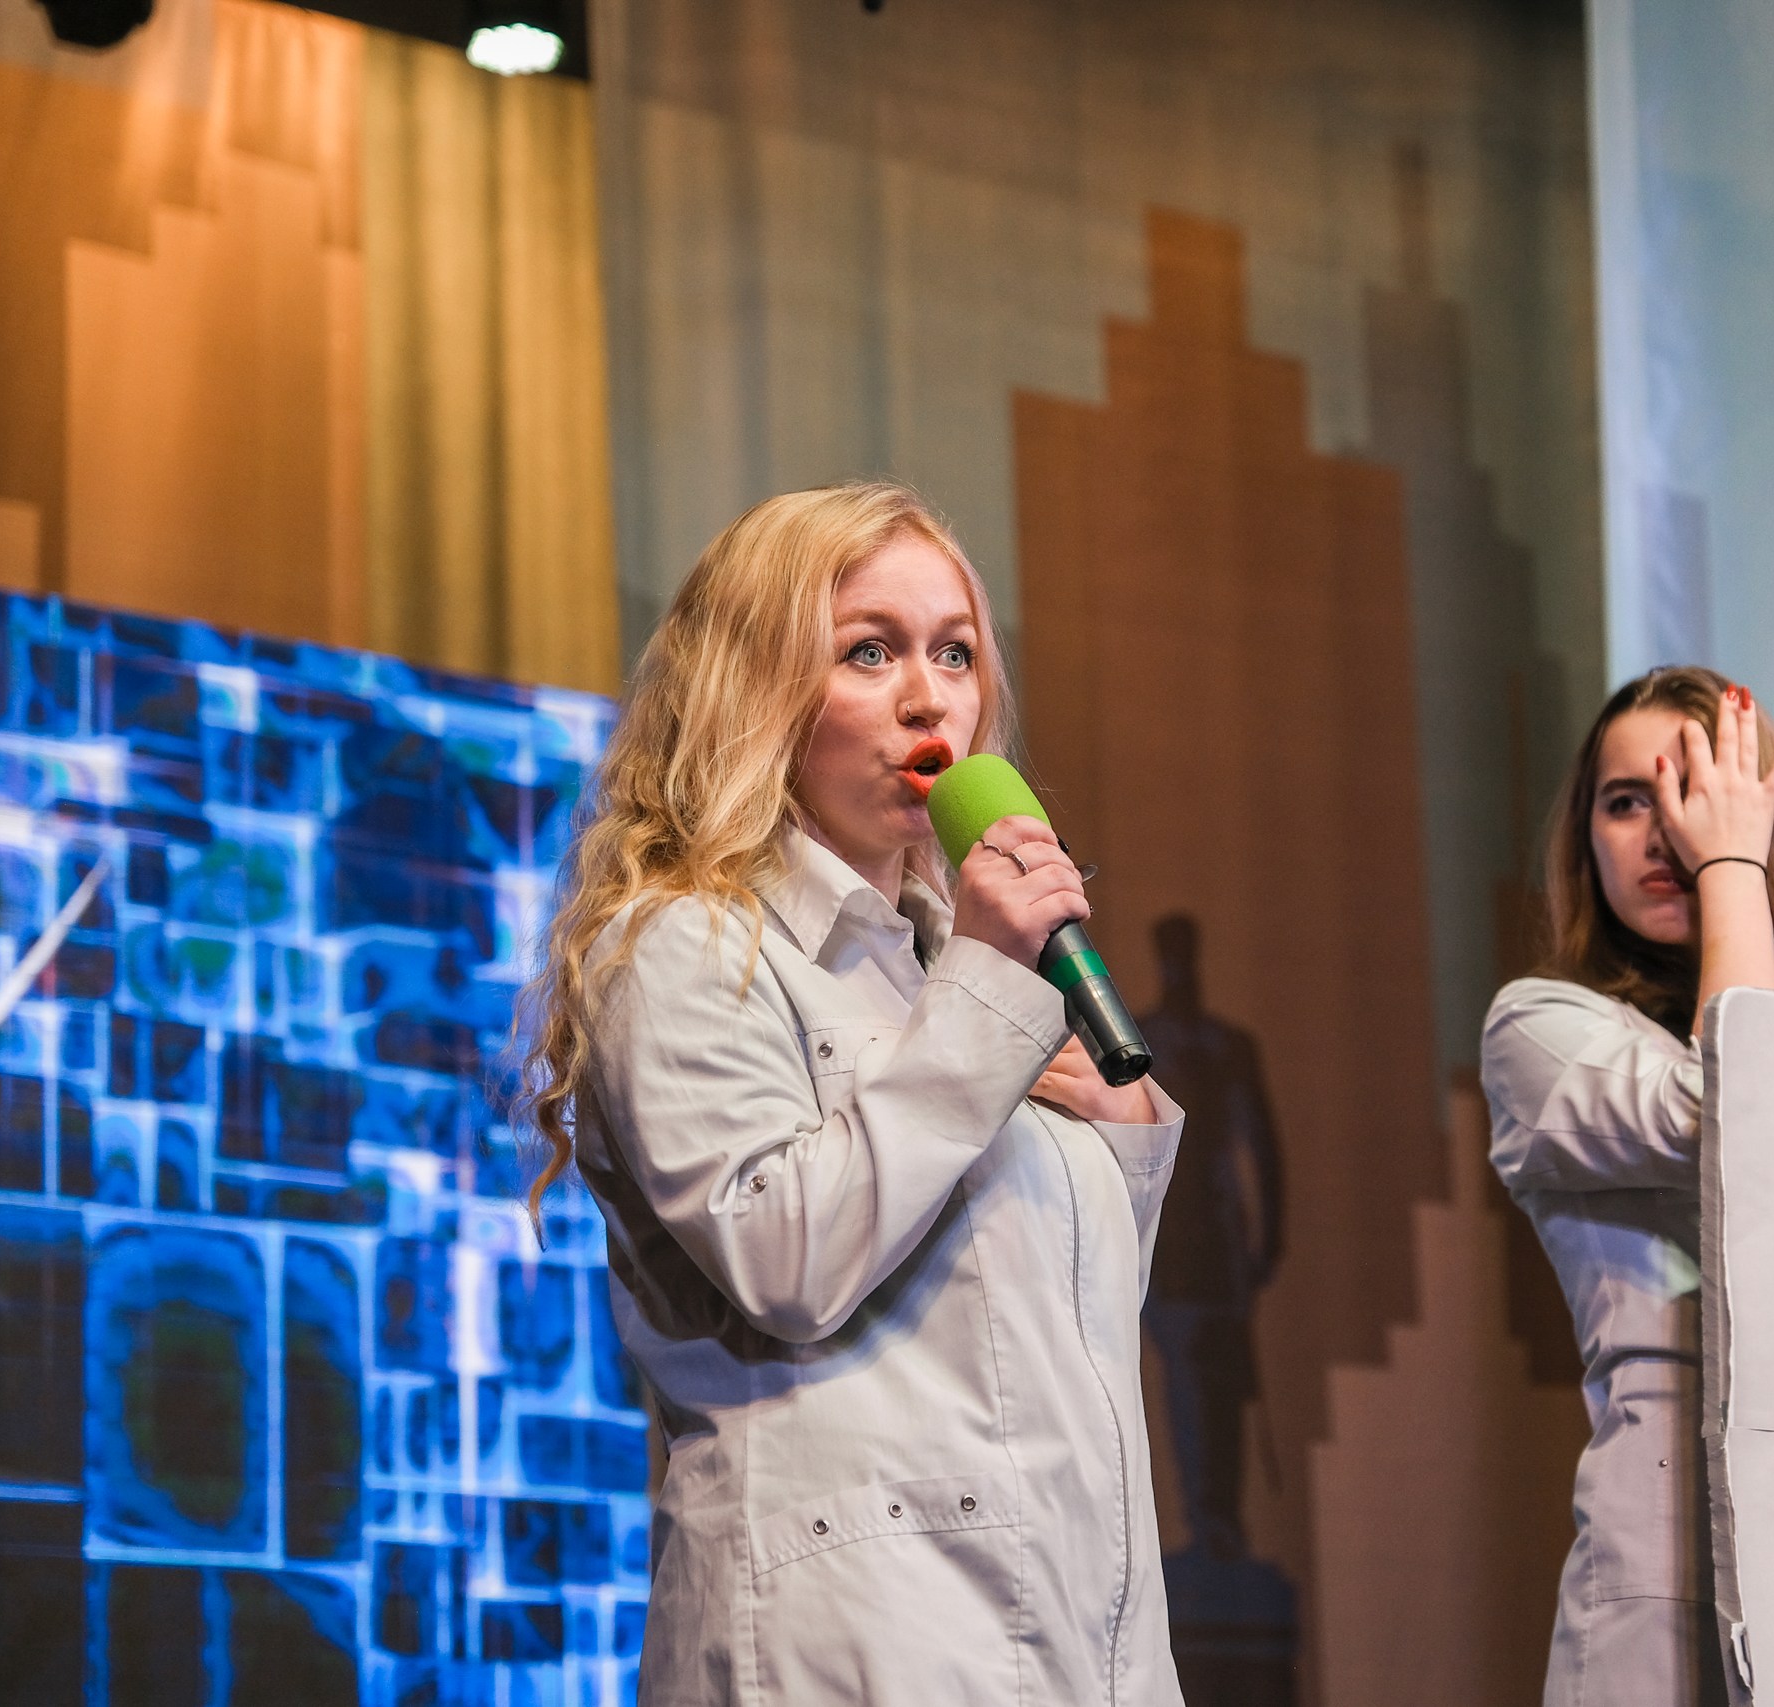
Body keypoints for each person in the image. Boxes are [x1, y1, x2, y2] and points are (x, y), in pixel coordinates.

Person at [518, 482, 1187, 1705]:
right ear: (755, 690)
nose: (929, 697)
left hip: (1076, 1643)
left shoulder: (966, 972)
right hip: (851, 1643)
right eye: (869, 652)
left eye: (955, 653)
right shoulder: (685, 946)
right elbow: (786, 1255)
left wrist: (1126, 1142)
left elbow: (1040, 1330)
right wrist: (982, 995)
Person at [1481, 666, 1774, 1706]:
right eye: (1628, 800)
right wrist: (1729, 866)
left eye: (1697, 787)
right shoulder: (1540, 1025)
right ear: (1585, 840)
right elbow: (1727, 1110)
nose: (1666, 828)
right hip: (1673, 1555)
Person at [1137, 912, 1285, 1561]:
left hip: (1220, 1237)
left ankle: (1223, 1518)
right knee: (1185, 1380)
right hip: (1167, 1238)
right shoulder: (1139, 1037)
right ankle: (1202, 1517)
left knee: (1223, 1379)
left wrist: (1269, 1240)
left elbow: (1264, 1148)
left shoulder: (1229, 1046)